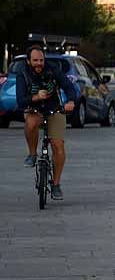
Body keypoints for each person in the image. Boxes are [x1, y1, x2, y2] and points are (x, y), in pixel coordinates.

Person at [16, 46, 78, 200]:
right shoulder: (22, 73)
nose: (39, 63)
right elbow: (20, 100)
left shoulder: (52, 69)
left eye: (41, 60)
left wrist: (70, 100)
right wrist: (36, 97)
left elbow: (68, 86)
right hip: (34, 109)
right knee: (30, 124)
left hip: (54, 108)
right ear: (28, 62)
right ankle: (32, 154)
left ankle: (56, 184)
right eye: (35, 60)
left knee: (58, 147)